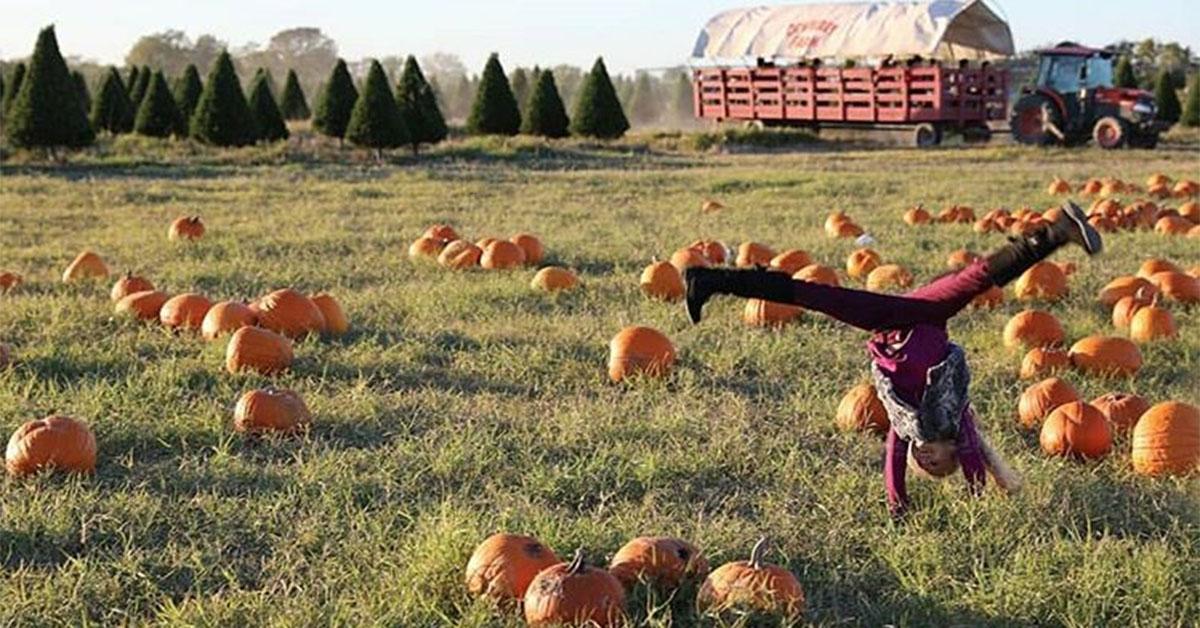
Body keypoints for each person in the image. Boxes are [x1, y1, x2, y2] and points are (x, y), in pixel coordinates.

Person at [684, 202, 1103, 517]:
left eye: (926, 464)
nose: (925, 458)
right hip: (925, 315)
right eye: (937, 461)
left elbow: (893, 463)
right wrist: (977, 502)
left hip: (887, 324)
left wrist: (896, 507)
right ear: (953, 448)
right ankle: (1056, 231)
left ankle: (711, 280)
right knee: (975, 278)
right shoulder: (956, 421)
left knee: (812, 295)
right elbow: (975, 462)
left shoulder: (906, 427)